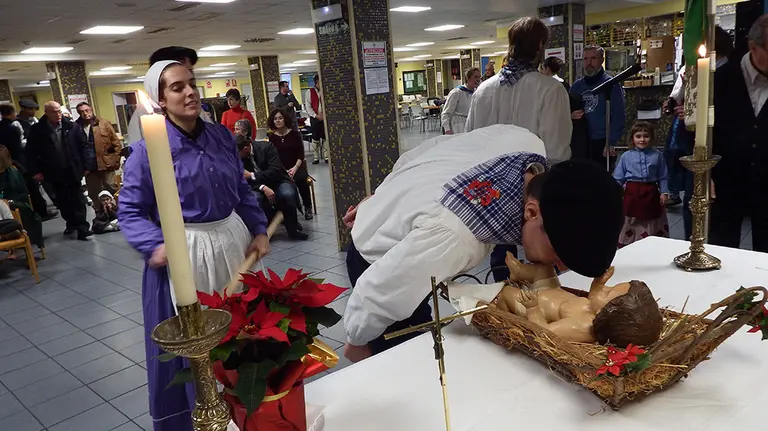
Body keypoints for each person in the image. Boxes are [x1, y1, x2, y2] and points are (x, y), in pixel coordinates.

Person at [342, 124, 624, 363]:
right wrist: (358, 342)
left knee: (418, 306)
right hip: (377, 260)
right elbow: (377, 293)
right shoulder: (456, 237)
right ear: (532, 212)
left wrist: (383, 197)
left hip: (411, 234)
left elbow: (431, 149)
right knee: (401, 353)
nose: (558, 267)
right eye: (559, 254)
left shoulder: (523, 141)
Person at [118, 60, 270, 431]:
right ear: (160, 99)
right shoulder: (145, 152)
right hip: (185, 252)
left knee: (244, 332)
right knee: (198, 345)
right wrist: (155, 245)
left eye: (191, 83)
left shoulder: (220, 136)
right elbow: (130, 212)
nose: (189, 92)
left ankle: (249, 410)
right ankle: (205, 415)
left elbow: (240, 190)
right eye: (177, 87)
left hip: (231, 239)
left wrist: (258, 228)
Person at [465, 17, 572, 165]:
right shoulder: (551, 90)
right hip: (532, 177)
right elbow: (556, 152)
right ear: (540, 44)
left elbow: (470, 140)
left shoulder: (482, 90)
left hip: (484, 176)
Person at [711, 16, 768, 253]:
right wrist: (706, 175)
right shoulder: (720, 81)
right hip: (727, 184)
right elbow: (703, 132)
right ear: (753, 47)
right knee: (722, 253)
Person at [26, 101, 92, 240]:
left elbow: (83, 147)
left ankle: (82, 227)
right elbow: (30, 152)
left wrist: (87, 166)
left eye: (59, 111)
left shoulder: (72, 127)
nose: (58, 114)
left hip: (72, 168)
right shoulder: (38, 130)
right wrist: (35, 171)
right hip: (52, 170)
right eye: (54, 112)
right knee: (62, 199)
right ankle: (71, 223)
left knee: (78, 198)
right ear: (46, 113)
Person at [237, 133, 307, 240]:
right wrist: (262, 187)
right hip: (257, 186)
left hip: (277, 181)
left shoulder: (267, 147)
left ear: (245, 149)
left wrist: (252, 175)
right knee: (255, 198)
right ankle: (263, 231)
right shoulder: (238, 158)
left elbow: (274, 171)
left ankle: (293, 229)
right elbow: (243, 179)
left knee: (287, 193)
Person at [126, 46, 201, 145]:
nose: (186, 74)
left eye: (190, 71)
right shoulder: (146, 116)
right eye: (177, 88)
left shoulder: (193, 106)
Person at [612, 122, 669, 248]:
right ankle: (629, 244)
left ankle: (651, 243)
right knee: (630, 217)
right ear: (632, 138)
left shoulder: (657, 155)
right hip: (632, 193)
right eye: (638, 136)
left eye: (646, 136)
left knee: (651, 217)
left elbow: (663, 176)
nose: (642, 139)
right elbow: (618, 178)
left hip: (651, 193)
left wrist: (664, 192)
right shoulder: (626, 156)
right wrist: (614, 193)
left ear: (651, 137)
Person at [570, 46, 626, 169]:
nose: (589, 63)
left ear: (601, 60)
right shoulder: (577, 86)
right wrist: (570, 116)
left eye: (593, 58)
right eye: (585, 59)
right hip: (581, 141)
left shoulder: (611, 84)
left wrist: (611, 142)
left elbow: (618, 115)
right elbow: (566, 110)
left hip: (602, 140)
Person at [69, 102, 122, 214]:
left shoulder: (104, 123)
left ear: (91, 109)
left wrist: (115, 161)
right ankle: (101, 215)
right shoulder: (76, 127)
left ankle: (121, 211)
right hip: (89, 167)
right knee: (94, 192)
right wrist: (80, 167)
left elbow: (116, 144)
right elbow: (74, 149)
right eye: (81, 112)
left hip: (106, 163)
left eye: (87, 110)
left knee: (111, 187)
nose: (85, 113)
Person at [13, 99, 57, 220]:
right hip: (26, 159)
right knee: (34, 188)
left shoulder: (34, 120)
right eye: (30, 109)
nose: (33, 111)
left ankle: (54, 203)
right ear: (24, 109)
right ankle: (41, 212)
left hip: (41, 157)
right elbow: (20, 144)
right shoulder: (17, 123)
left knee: (48, 182)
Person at [268, 108, 313, 221]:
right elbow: (273, 158)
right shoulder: (272, 138)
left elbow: (301, 155)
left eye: (280, 118)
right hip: (281, 170)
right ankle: (284, 211)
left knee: (302, 179)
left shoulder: (295, 134)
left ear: (285, 119)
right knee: (276, 182)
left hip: (296, 166)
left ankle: (307, 206)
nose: (278, 121)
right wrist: (284, 171)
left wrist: (294, 168)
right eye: (275, 119)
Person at [0, 145, 43, 249]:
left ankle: (10, 235)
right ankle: (6, 235)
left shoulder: (13, 173)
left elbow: (23, 194)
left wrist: (8, 201)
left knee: (7, 208)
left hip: (17, 203)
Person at [441, 68, 480, 135]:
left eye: (479, 77)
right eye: (475, 77)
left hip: (471, 126)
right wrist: (447, 129)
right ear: (468, 78)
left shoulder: (476, 93)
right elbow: (446, 113)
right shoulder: (456, 93)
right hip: (457, 127)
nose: (478, 80)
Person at [304, 75, 327, 164]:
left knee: (325, 137)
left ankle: (326, 156)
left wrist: (324, 115)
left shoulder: (325, 91)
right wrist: (316, 115)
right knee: (315, 138)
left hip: (324, 117)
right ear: (317, 81)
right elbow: (308, 106)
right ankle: (316, 157)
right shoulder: (309, 92)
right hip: (315, 118)